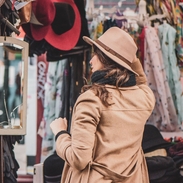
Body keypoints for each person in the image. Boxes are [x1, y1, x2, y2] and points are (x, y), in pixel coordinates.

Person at [50, 26, 155, 183]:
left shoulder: (91, 100)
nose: (91, 60)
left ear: (106, 58)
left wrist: (60, 134)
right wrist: (127, 56)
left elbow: (79, 159)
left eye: (96, 54)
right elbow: (140, 80)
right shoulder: (144, 97)